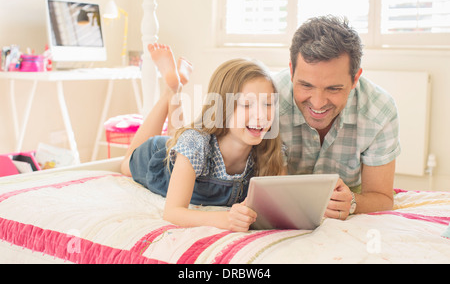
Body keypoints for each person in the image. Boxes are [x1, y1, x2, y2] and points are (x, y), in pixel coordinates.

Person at [121, 43, 285, 232]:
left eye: (268, 104)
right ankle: (171, 90)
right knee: (126, 163)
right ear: (222, 108)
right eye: (247, 105)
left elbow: (282, 206)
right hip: (159, 160)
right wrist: (225, 219)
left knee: (178, 136)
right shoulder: (195, 144)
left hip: (185, 149)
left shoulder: (272, 150)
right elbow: (173, 213)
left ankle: (176, 88)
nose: (261, 115)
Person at [274, 15, 401, 220]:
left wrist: (352, 202)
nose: (317, 103)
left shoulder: (380, 111)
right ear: (291, 71)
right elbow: (272, 190)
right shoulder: (267, 102)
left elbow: (382, 198)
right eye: (306, 85)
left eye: (333, 88)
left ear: (355, 79)